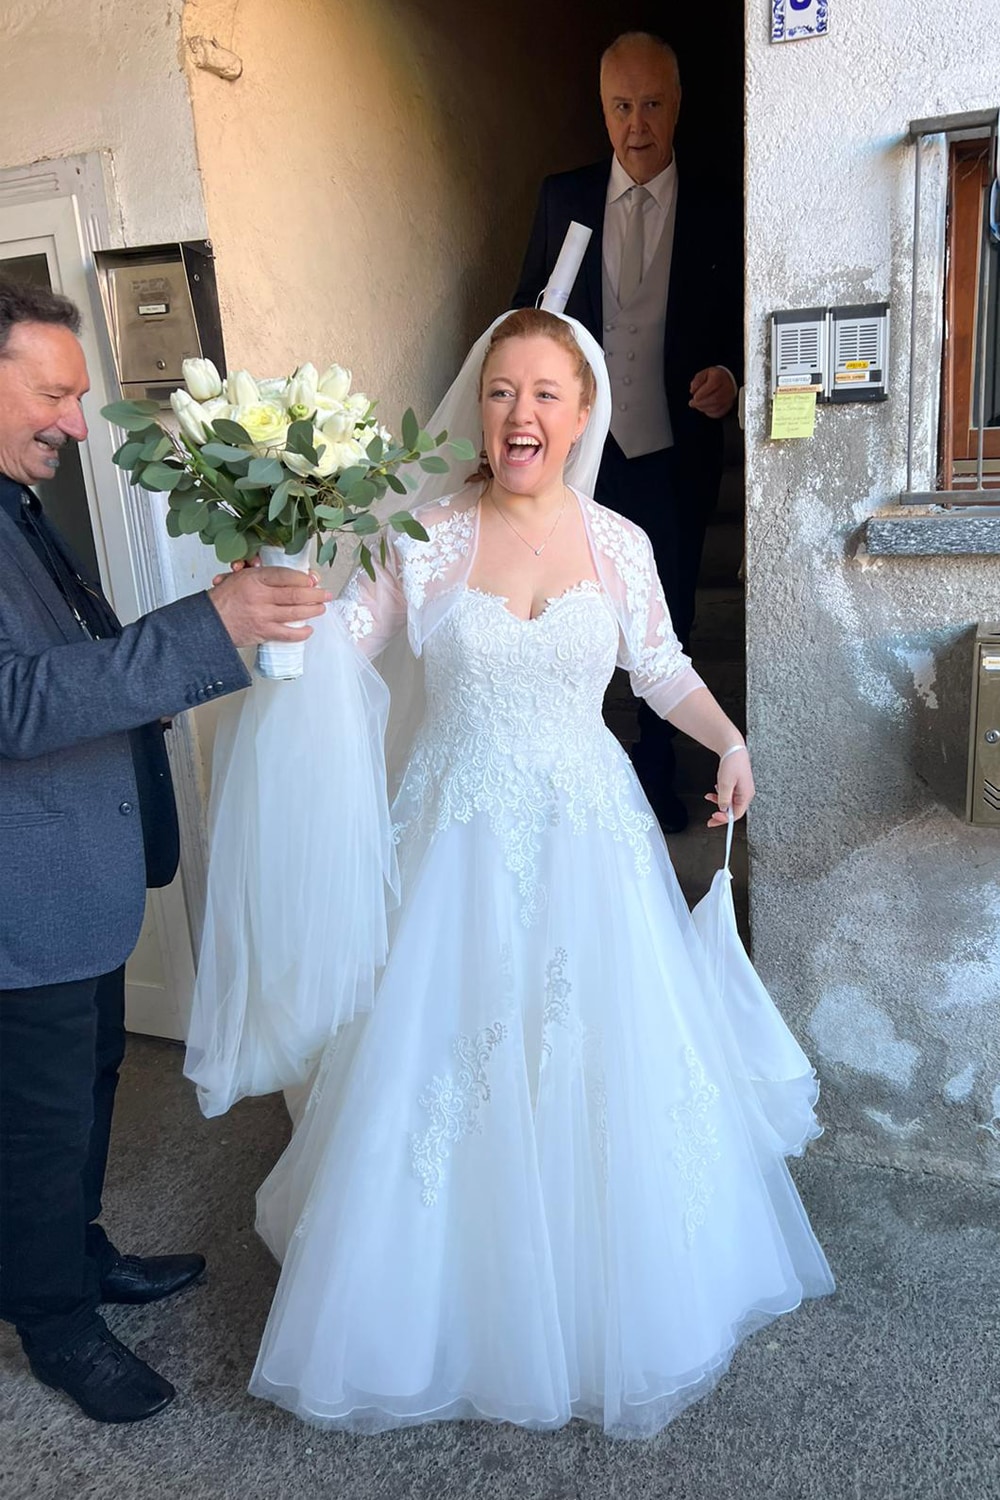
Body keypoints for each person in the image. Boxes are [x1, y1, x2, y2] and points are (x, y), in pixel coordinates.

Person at [186, 308, 833, 1438]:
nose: (518, 413)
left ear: (582, 415)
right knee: (443, 1059)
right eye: (499, 391)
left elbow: (660, 667)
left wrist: (729, 741)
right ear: (479, 413)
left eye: (543, 393)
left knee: (598, 1054)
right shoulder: (423, 538)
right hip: (452, 838)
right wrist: (283, 594)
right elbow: (342, 647)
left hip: (591, 838)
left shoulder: (619, 543)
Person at [0, 279, 331, 1424]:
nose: (76, 422)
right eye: (54, 393)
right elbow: (17, 703)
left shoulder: (16, 508)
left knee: (87, 1089)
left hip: (71, 888)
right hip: (20, 904)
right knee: (37, 1128)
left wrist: (204, 627)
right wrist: (207, 630)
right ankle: (53, 1326)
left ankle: (76, 1255)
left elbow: (75, 658)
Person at [512, 31, 742, 833]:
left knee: (665, 609)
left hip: (674, 453)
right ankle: (567, 756)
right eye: (620, 106)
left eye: (651, 104)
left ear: (676, 106)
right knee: (565, 605)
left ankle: (656, 766)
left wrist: (731, 376)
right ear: (601, 109)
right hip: (581, 456)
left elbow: (743, 316)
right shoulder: (563, 198)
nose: (636, 125)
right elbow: (526, 314)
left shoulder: (719, 205)